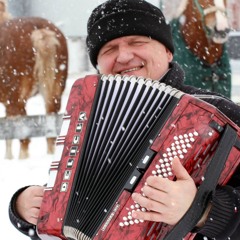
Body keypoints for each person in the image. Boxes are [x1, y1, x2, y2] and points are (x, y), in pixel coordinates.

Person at [8, 0, 240, 239]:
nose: (124, 55)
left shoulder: (219, 113)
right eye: (109, 49)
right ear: (98, 64)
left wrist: (202, 211)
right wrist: (23, 209)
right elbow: (70, 211)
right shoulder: (90, 116)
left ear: (168, 51)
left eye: (137, 42)